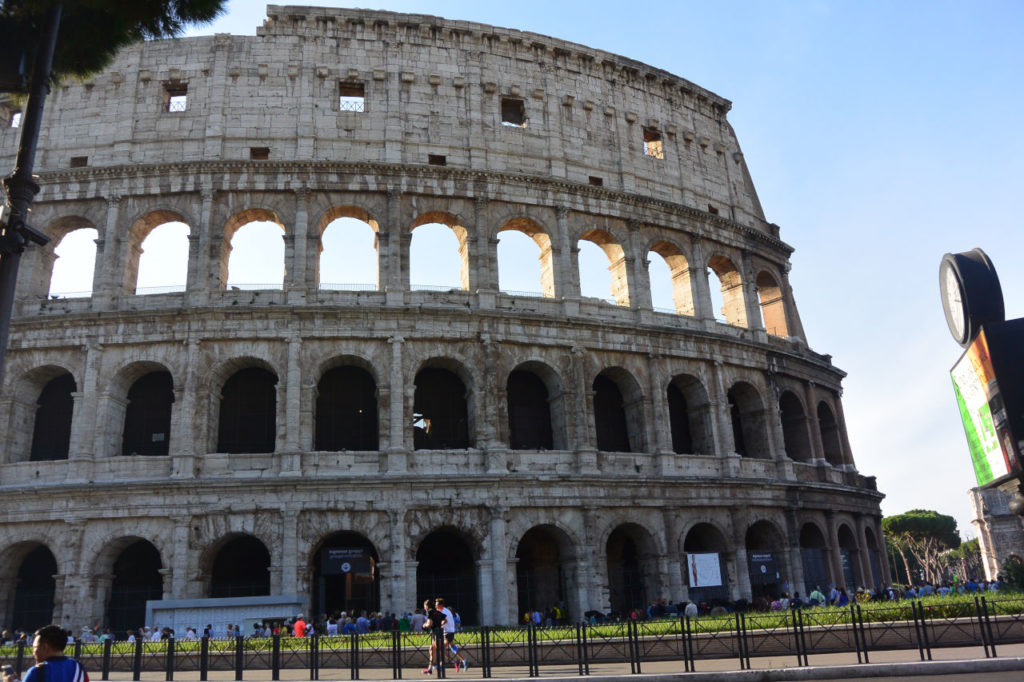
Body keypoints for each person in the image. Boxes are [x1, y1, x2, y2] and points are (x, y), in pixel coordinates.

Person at [21, 625, 89, 682]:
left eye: (35, 647)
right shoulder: (78, 668)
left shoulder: (37, 672)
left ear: (45, 647)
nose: (33, 653)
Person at [421, 599, 445, 675]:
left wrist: (424, 625)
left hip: (435, 633)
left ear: (427, 606)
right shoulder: (437, 612)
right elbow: (444, 620)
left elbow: (429, 624)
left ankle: (440, 666)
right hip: (440, 632)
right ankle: (430, 668)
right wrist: (439, 625)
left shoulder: (429, 612)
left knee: (436, 650)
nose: (424, 607)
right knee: (432, 649)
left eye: (424, 605)